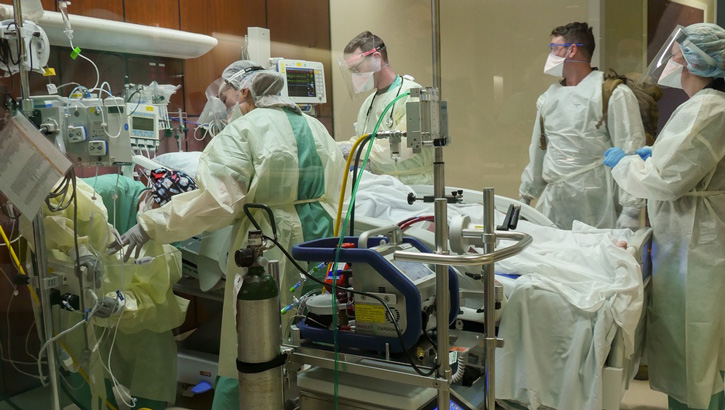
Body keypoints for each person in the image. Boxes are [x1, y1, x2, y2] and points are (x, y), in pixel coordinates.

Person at [107, 60, 345, 409]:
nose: (224, 106)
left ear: (246, 91)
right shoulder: (315, 127)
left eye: (227, 97)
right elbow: (338, 189)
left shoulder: (244, 131)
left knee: (254, 340)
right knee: (310, 329)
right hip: (321, 241)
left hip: (268, 242)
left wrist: (151, 224)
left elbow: (217, 203)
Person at [605, 23, 725, 410]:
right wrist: (653, 157)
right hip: (695, 234)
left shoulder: (708, 108)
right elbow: (685, 164)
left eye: (677, 56)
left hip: (696, 241)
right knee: (706, 348)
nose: (672, 64)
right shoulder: (705, 106)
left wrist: (623, 164)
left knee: (695, 341)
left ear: (695, 62)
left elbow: (667, 181)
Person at [44, 178, 189, 410]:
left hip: (126, 299)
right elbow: (52, 212)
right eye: (155, 216)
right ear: (151, 197)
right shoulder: (108, 189)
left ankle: (149, 404)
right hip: (79, 288)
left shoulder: (172, 229)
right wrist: (76, 249)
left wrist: (125, 305)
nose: (155, 225)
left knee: (154, 350)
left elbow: (156, 288)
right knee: (86, 358)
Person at [519, 22, 646, 230]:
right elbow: (539, 149)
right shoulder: (548, 98)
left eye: (554, 48)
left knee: (593, 257)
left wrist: (631, 209)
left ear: (572, 50)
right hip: (554, 200)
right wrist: (526, 196)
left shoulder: (611, 93)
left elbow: (630, 148)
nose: (550, 55)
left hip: (597, 200)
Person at [338, 31, 434, 184]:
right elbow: (362, 139)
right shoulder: (369, 103)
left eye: (357, 68)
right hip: (381, 187)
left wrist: (354, 149)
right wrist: (336, 147)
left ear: (376, 59)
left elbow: (404, 148)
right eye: (352, 71)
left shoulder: (411, 95)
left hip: (414, 187)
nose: (354, 76)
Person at [83, 169, 197, 235]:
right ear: (151, 194)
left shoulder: (173, 228)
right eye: (159, 210)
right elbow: (69, 195)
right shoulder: (111, 189)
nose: (159, 219)